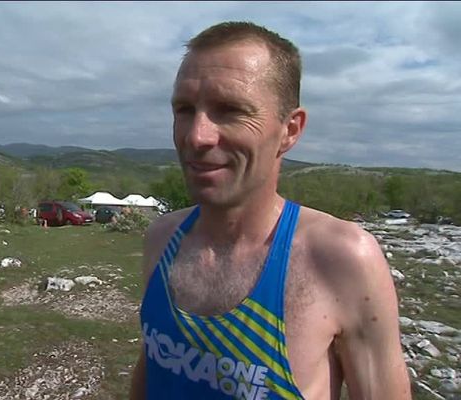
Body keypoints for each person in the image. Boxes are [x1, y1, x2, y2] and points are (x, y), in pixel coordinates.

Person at [129, 22, 410, 400]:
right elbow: (150, 369)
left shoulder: (341, 259)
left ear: (290, 130)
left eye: (230, 110)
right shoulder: (162, 238)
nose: (197, 136)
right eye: (184, 109)